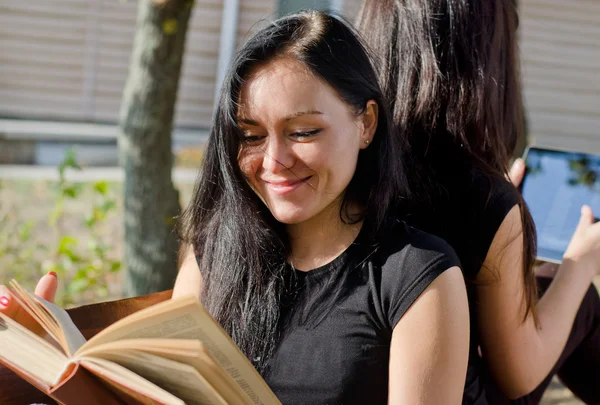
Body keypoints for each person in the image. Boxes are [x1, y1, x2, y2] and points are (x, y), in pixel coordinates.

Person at [0, 11, 470, 404]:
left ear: (365, 123)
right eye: (250, 135)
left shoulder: (417, 277)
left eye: (303, 131)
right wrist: (47, 359)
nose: (273, 162)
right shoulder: (213, 253)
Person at [356, 1, 600, 404]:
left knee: (542, 286)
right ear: (488, 57)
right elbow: (519, 374)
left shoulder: (353, 162)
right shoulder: (482, 198)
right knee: (578, 298)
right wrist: (581, 263)